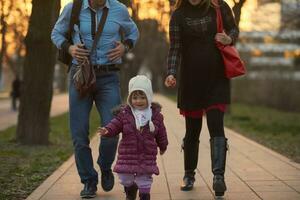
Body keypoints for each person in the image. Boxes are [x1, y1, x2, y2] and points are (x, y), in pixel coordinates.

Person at [51, 0, 139, 198]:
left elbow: (134, 33)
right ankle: (89, 181)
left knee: (112, 128)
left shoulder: (119, 10)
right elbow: (56, 33)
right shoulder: (72, 8)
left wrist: (125, 46)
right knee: (79, 133)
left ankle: (105, 166)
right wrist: (69, 48)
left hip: (109, 77)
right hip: (80, 75)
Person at [164, 0, 239, 197]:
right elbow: (175, 48)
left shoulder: (219, 6)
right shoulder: (178, 15)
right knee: (192, 130)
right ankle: (189, 175)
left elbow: (233, 30)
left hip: (217, 79)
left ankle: (218, 177)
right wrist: (171, 72)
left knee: (216, 126)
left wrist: (229, 39)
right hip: (191, 81)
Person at [98, 75, 168, 200]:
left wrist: (163, 145)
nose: (138, 101)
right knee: (125, 178)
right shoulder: (125, 114)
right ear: (130, 98)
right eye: (135, 98)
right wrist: (107, 130)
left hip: (146, 154)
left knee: (144, 180)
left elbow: (161, 133)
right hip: (127, 154)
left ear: (149, 97)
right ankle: (130, 190)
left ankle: (144, 195)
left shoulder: (155, 116)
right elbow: (115, 125)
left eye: (142, 97)